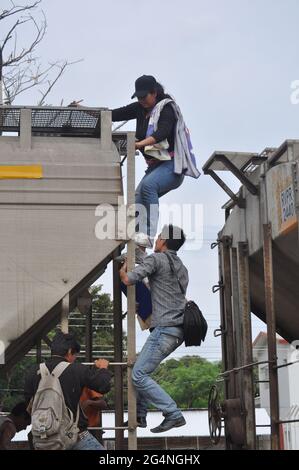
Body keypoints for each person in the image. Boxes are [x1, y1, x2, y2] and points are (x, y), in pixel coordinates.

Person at [112, 75, 200, 248]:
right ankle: (138, 248)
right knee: (136, 199)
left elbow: (163, 132)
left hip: (172, 166)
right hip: (155, 167)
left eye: (144, 97)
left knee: (149, 186)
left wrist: (139, 144)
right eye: (138, 97)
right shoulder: (140, 108)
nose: (141, 101)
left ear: (154, 93)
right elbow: (114, 114)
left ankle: (149, 235)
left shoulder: (166, 108)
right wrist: (85, 110)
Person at [119, 224, 188, 433]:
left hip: (164, 329)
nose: (156, 240)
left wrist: (123, 266)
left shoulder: (156, 259)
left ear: (164, 241)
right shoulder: (182, 268)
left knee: (138, 375)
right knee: (141, 369)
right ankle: (140, 414)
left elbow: (128, 279)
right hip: (179, 331)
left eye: (158, 237)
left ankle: (173, 413)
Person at [24, 331, 111, 450]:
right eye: (75, 355)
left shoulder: (32, 372)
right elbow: (103, 386)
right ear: (70, 351)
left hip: (44, 439)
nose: (74, 359)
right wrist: (103, 368)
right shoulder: (76, 369)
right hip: (74, 437)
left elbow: (28, 405)